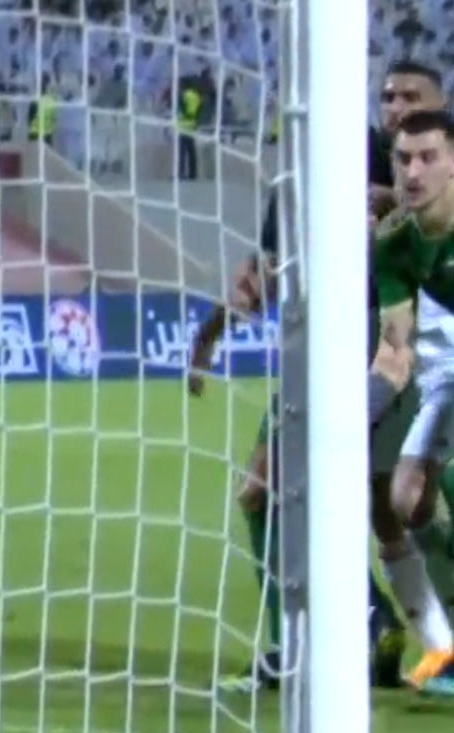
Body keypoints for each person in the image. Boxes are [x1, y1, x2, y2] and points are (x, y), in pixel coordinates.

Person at [188, 60, 451, 692]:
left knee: (376, 502)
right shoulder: (318, 171)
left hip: (382, 352)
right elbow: (264, 274)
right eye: (388, 97)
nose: (395, 108)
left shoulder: (395, 171)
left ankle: (359, 633)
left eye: (410, 97)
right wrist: (209, 335)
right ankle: (411, 637)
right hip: (343, 353)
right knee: (382, 505)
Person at [371, 108, 454, 693]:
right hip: (446, 373)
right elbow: (395, 351)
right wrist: (352, 419)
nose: (414, 171)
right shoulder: (396, 243)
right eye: (403, 159)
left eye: (428, 157)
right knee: (404, 497)